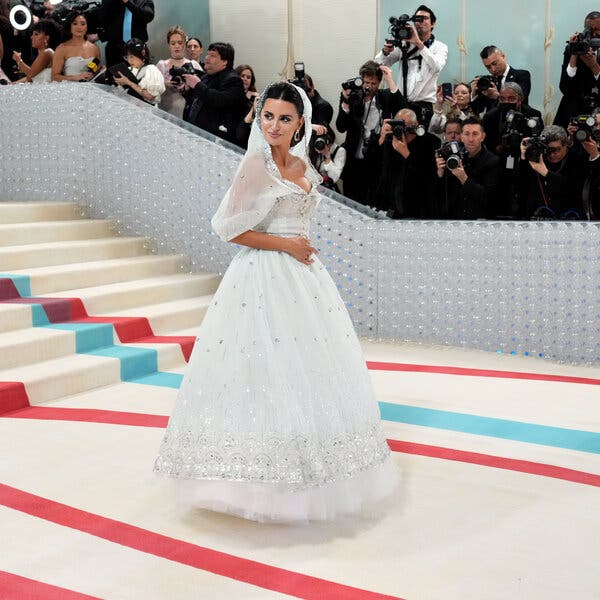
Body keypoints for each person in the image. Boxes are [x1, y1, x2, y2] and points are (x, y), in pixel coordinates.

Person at [154, 81, 396, 522]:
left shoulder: (302, 162)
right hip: (263, 276)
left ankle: (305, 462)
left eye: (285, 118)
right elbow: (227, 228)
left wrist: (295, 250)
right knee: (261, 368)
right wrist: (286, 247)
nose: (274, 125)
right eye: (268, 116)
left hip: (304, 281)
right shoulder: (255, 165)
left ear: (301, 122)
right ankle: (252, 479)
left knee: (304, 369)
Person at [336, 60, 406, 205]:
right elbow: (341, 127)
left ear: (379, 83)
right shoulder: (353, 96)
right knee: (351, 201)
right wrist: (346, 104)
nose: (369, 86)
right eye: (366, 82)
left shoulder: (384, 97)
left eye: (373, 83)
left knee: (372, 200)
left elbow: (401, 106)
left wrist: (390, 79)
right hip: (353, 157)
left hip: (376, 158)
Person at [375, 4, 447, 127]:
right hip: (400, 105)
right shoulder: (404, 44)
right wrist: (385, 52)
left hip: (423, 107)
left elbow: (436, 67)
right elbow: (377, 64)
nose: (420, 22)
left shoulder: (440, 47)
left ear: (433, 23)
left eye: (424, 18)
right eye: (416, 19)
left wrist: (418, 43)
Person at [374, 108, 440, 217]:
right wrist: (381, 140)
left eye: (407, 127)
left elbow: (428, 177)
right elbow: (374, 168)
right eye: (399, 126)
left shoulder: (430, 142)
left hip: (419, 209)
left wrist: (406, 154)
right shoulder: (389, 140)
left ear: (417, 124)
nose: (403, 132)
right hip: (390, 207)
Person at [435, 116, 500, 219]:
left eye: (475, 134)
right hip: (453, 219)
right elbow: (440, 194)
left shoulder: (492, 161)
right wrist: (440, 173)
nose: (470, 139)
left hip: (481, 221)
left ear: (482, 137)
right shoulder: (451, 156)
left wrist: (464, 178)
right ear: (461, 137)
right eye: (467, 134)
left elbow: (489, 198)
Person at [182, 42, 246, 144]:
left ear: (224, 61)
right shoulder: (207, 76)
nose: (207, 58)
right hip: (197, 133)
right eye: (207, 54)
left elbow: (220, 100)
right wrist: (186, 89)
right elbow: (198, 100)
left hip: (218, 140)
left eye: (212, 56)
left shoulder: (233, 80)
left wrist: (197, 85)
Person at [519, 125, 586, 219]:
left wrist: (546, 173)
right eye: (548, 149)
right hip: (539, 215)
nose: (551, 154)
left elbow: (573, 188)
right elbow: (521, 185)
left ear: (566, 145)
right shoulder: (539, 156)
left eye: (556, 149)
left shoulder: (576, 159)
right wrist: (524, 157)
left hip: (569, 216)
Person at [554, 11, 600, 128]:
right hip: (574, 110)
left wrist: (594, 66)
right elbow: (565, 88)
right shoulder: (573, 48)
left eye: (598, 30)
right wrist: (575, 53)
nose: (594, 34)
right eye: (590, 30)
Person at [88, 0, 154, 68]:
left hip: (138, 49)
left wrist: (128, 3)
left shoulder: (142, 1)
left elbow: (148, 16)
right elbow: (105, 22)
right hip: (115, 50)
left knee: (142, 76)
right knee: (115, 77)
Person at [156, 26, 202, 119]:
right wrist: (165, 84)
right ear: (168, 45)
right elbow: (152, 89)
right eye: (173, 43)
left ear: (184, 44)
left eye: (180, 43)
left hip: (187, 112)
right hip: (165, 112)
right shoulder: (161, 65)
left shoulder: (193, 65)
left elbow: (204, 88)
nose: (176, 46)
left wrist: (188, 86)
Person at [471, 45, 532, 114]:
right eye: (488, 67)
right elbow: (478, 110)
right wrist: (474, 95)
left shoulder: (522, 75)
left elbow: (521, 102)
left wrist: (497, 96)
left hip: (516, 121)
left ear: (503, 56)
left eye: (494, 63)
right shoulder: (487, 82)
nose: (493, 69)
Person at [51, 12, 100, 82]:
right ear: (69, 27)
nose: (79, 27)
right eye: (75, 24)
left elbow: (96, 73)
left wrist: (101, 71)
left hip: (92, 88)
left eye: (83, 24)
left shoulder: (95, 48)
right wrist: (76, 77)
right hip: (71, 89)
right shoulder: (62, 48)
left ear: (86, 28)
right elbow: (54, 77)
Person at [113, 38, 164, 104]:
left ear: (143, 53)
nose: (129, 60)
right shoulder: (129, 69)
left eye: (131, 56)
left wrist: (129, 83)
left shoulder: (152, 70)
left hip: (146, 111)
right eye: (127, 57)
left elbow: (150, 96)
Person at [12, 18, 60, 83]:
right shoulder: (44, 53)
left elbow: (30, 74)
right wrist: (12, 84)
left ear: (47, 38)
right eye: (33, 34)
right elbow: (29, 78)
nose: (32, 37)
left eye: (36, 34)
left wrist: (19, 60)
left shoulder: (47, 53)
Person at [308, 125, 346, 192]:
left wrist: (327, 157)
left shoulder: (339, 151)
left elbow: (333, 178)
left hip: (326, 189)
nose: (321, 144)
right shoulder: (314, 146)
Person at [234, 63, 259, 148]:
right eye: (242, 76)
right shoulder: (229, 94)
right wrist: (246, 97)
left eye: (248, 77)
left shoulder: (254, 98)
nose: (245, 79)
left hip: (245, 138)